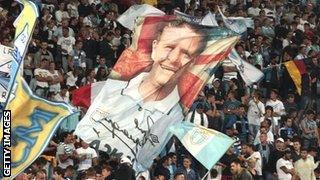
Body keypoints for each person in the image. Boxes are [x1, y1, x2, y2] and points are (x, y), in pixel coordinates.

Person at [75, 19, 218, 164]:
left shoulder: (176, 114)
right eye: (169, 47)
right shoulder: (114, 88)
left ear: (192, 63)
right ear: (155, 48)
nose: (174, 58)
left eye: (186, 54)